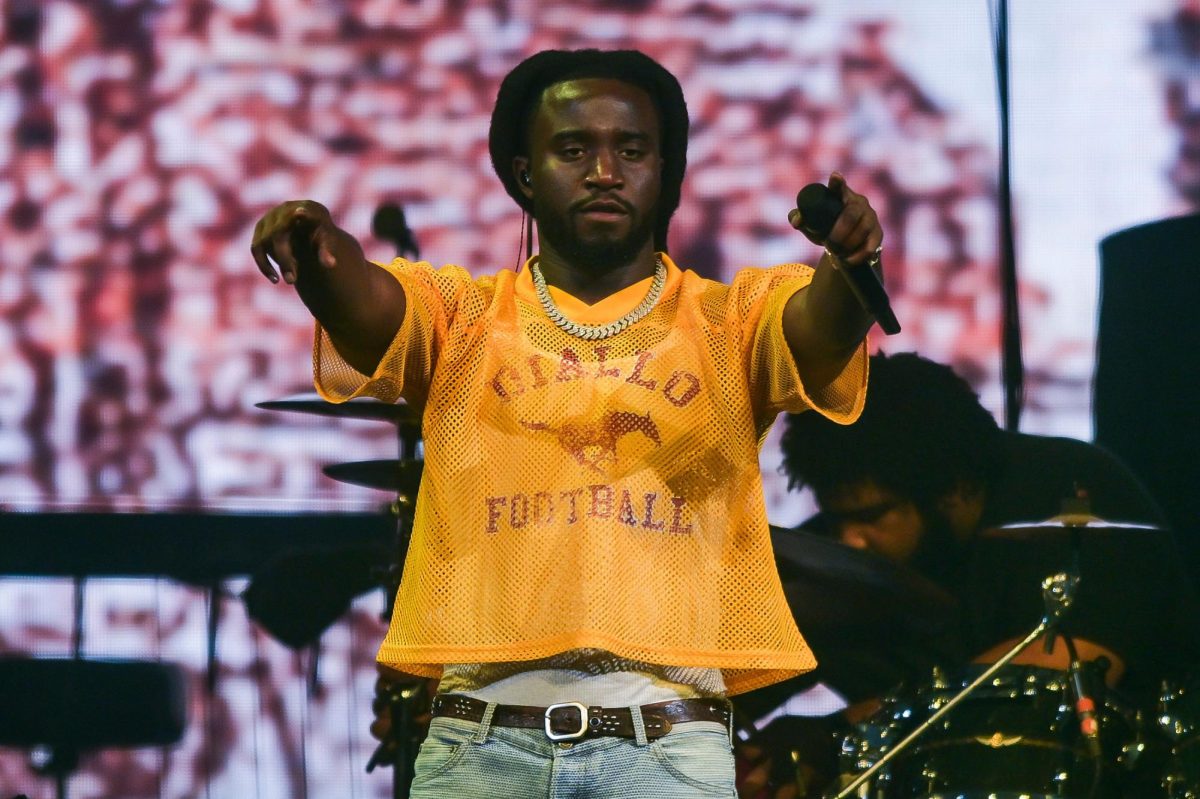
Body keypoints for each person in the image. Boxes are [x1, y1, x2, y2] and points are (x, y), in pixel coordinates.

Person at [251, 49, 883, 798]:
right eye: (574, 149)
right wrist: (319, 253)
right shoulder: (461, 318)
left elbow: (820, 326)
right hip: (480, 747)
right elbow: (365, 300)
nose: (605, 171)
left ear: (664, 173)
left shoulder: (730, 321)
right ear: (525, 174)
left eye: (632, 150)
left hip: (667, 749)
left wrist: (850, 265)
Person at [746, 351, 1200, 797]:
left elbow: (1047, 680)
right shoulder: (837, 555)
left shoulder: (1071, 496)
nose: (849, 541)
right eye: (834, 517)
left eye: (873, 515)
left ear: (951, 489)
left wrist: (835, 736)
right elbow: (731, 681)